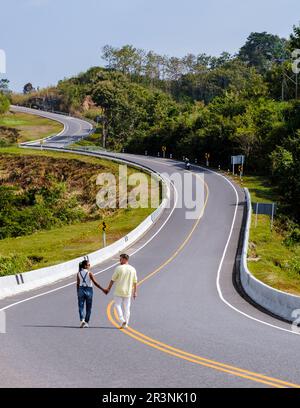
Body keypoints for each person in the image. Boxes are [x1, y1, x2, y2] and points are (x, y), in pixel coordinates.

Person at [105, 254, 137, 329]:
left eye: (121, 259)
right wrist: (135, 292)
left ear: (125, 259)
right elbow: (135, 281)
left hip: (119, 291)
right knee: (127, 308)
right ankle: (126, 323)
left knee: (117, 305)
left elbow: (112, 280)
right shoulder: (132, 269)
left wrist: (108, 289)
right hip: (128, 292)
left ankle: (122, 320)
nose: (119, 260)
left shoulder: (118, 268)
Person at [77, 259, 106, 328]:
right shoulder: (90, 273)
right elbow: (95, 283)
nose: (89, 266)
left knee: (81, 306)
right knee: (88, 307)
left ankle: (82, 320)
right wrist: (102, 289)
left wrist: (77, 292)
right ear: (85, 266)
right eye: (88, 265)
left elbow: (78, 283)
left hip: (81, 289)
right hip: (89, 290)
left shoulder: (78, 273)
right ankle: (86, 322)